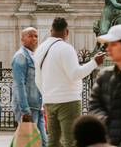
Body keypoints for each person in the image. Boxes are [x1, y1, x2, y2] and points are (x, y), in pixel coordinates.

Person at [34, 17, 105, 147]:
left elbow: (38, 79)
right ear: (67, 32)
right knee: (70, 141)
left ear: (51, 30)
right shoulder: (65, 48)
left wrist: (48, 94)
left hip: (49, 101)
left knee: (53, 141)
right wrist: (94, 62)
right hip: (68, 101)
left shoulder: (39, 50)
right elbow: (75, 74)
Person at [11, 28, 47, 147]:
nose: (34, 39)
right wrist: (25, 109)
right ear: (22, 39)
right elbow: (18, 84)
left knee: (42, 143)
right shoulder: (21, 56)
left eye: (36, 36)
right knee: (31, 143)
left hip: (37, 106)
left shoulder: (34, 55)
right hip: (28, 107)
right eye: (30, 36)